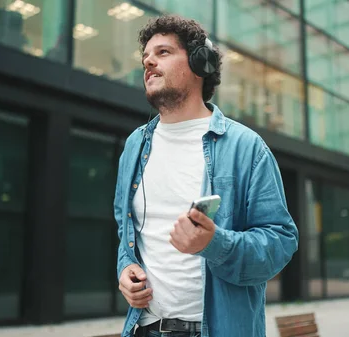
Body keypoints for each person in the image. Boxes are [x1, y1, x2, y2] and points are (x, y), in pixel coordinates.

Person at [114, 14, 299, 337]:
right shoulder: (134, 145)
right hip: (145, 328)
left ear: (200, 64)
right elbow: (126, 229)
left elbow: (281, 242)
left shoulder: (246, 147)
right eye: (145, 57)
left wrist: (215, 243)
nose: (149, 63)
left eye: (163, 53)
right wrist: (125, 267)